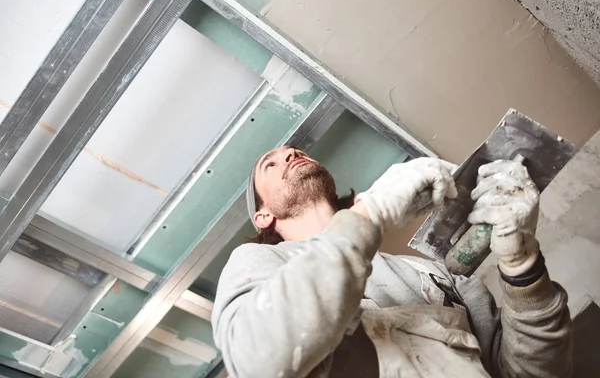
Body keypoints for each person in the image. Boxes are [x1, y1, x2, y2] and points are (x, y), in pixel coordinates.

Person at [212, 146, 572, 378]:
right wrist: (370, 213)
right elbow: (259, 361)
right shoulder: (256, 263)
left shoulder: (430, 274)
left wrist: (522, 266)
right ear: (262, 217)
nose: (290, 153)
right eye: (270, 164)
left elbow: (527, 372)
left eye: (293, 150)